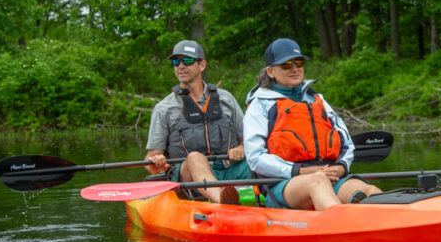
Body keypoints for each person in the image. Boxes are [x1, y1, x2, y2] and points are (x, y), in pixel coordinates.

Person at [243, 38, 381, 210]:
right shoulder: (260, 105)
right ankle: (341, 224)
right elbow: (256, 158)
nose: (294, 68)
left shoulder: (318, 100)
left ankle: (386, 225)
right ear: (270, 71)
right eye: (286, 65)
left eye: (298, 62)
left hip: (329, 176)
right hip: (284, 184)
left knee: (370, 191)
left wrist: (340, 167)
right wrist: (300, 171)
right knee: (318, 181)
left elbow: (346, 144)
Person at [145, 39, 250, 203]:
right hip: (188, 175)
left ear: (202, 65)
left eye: (187, 61)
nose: (180, 66)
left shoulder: (226, 99)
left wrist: (241, 148)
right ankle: (223, 200)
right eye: (176, 61)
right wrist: (156, 162)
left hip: (228, 168)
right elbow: (150, 158)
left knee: (261, 157)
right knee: (195, 157)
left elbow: (248, 140)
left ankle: (287, 196)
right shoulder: (164, 108)